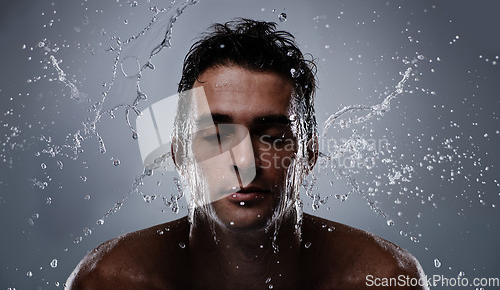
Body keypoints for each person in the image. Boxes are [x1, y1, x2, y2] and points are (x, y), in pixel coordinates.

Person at [66, 18, 428, 290]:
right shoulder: (113, 281)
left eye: (271, 137)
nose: (245, 162)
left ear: (308, 155)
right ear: (179, 154)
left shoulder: (383, 279)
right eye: (218, 137)